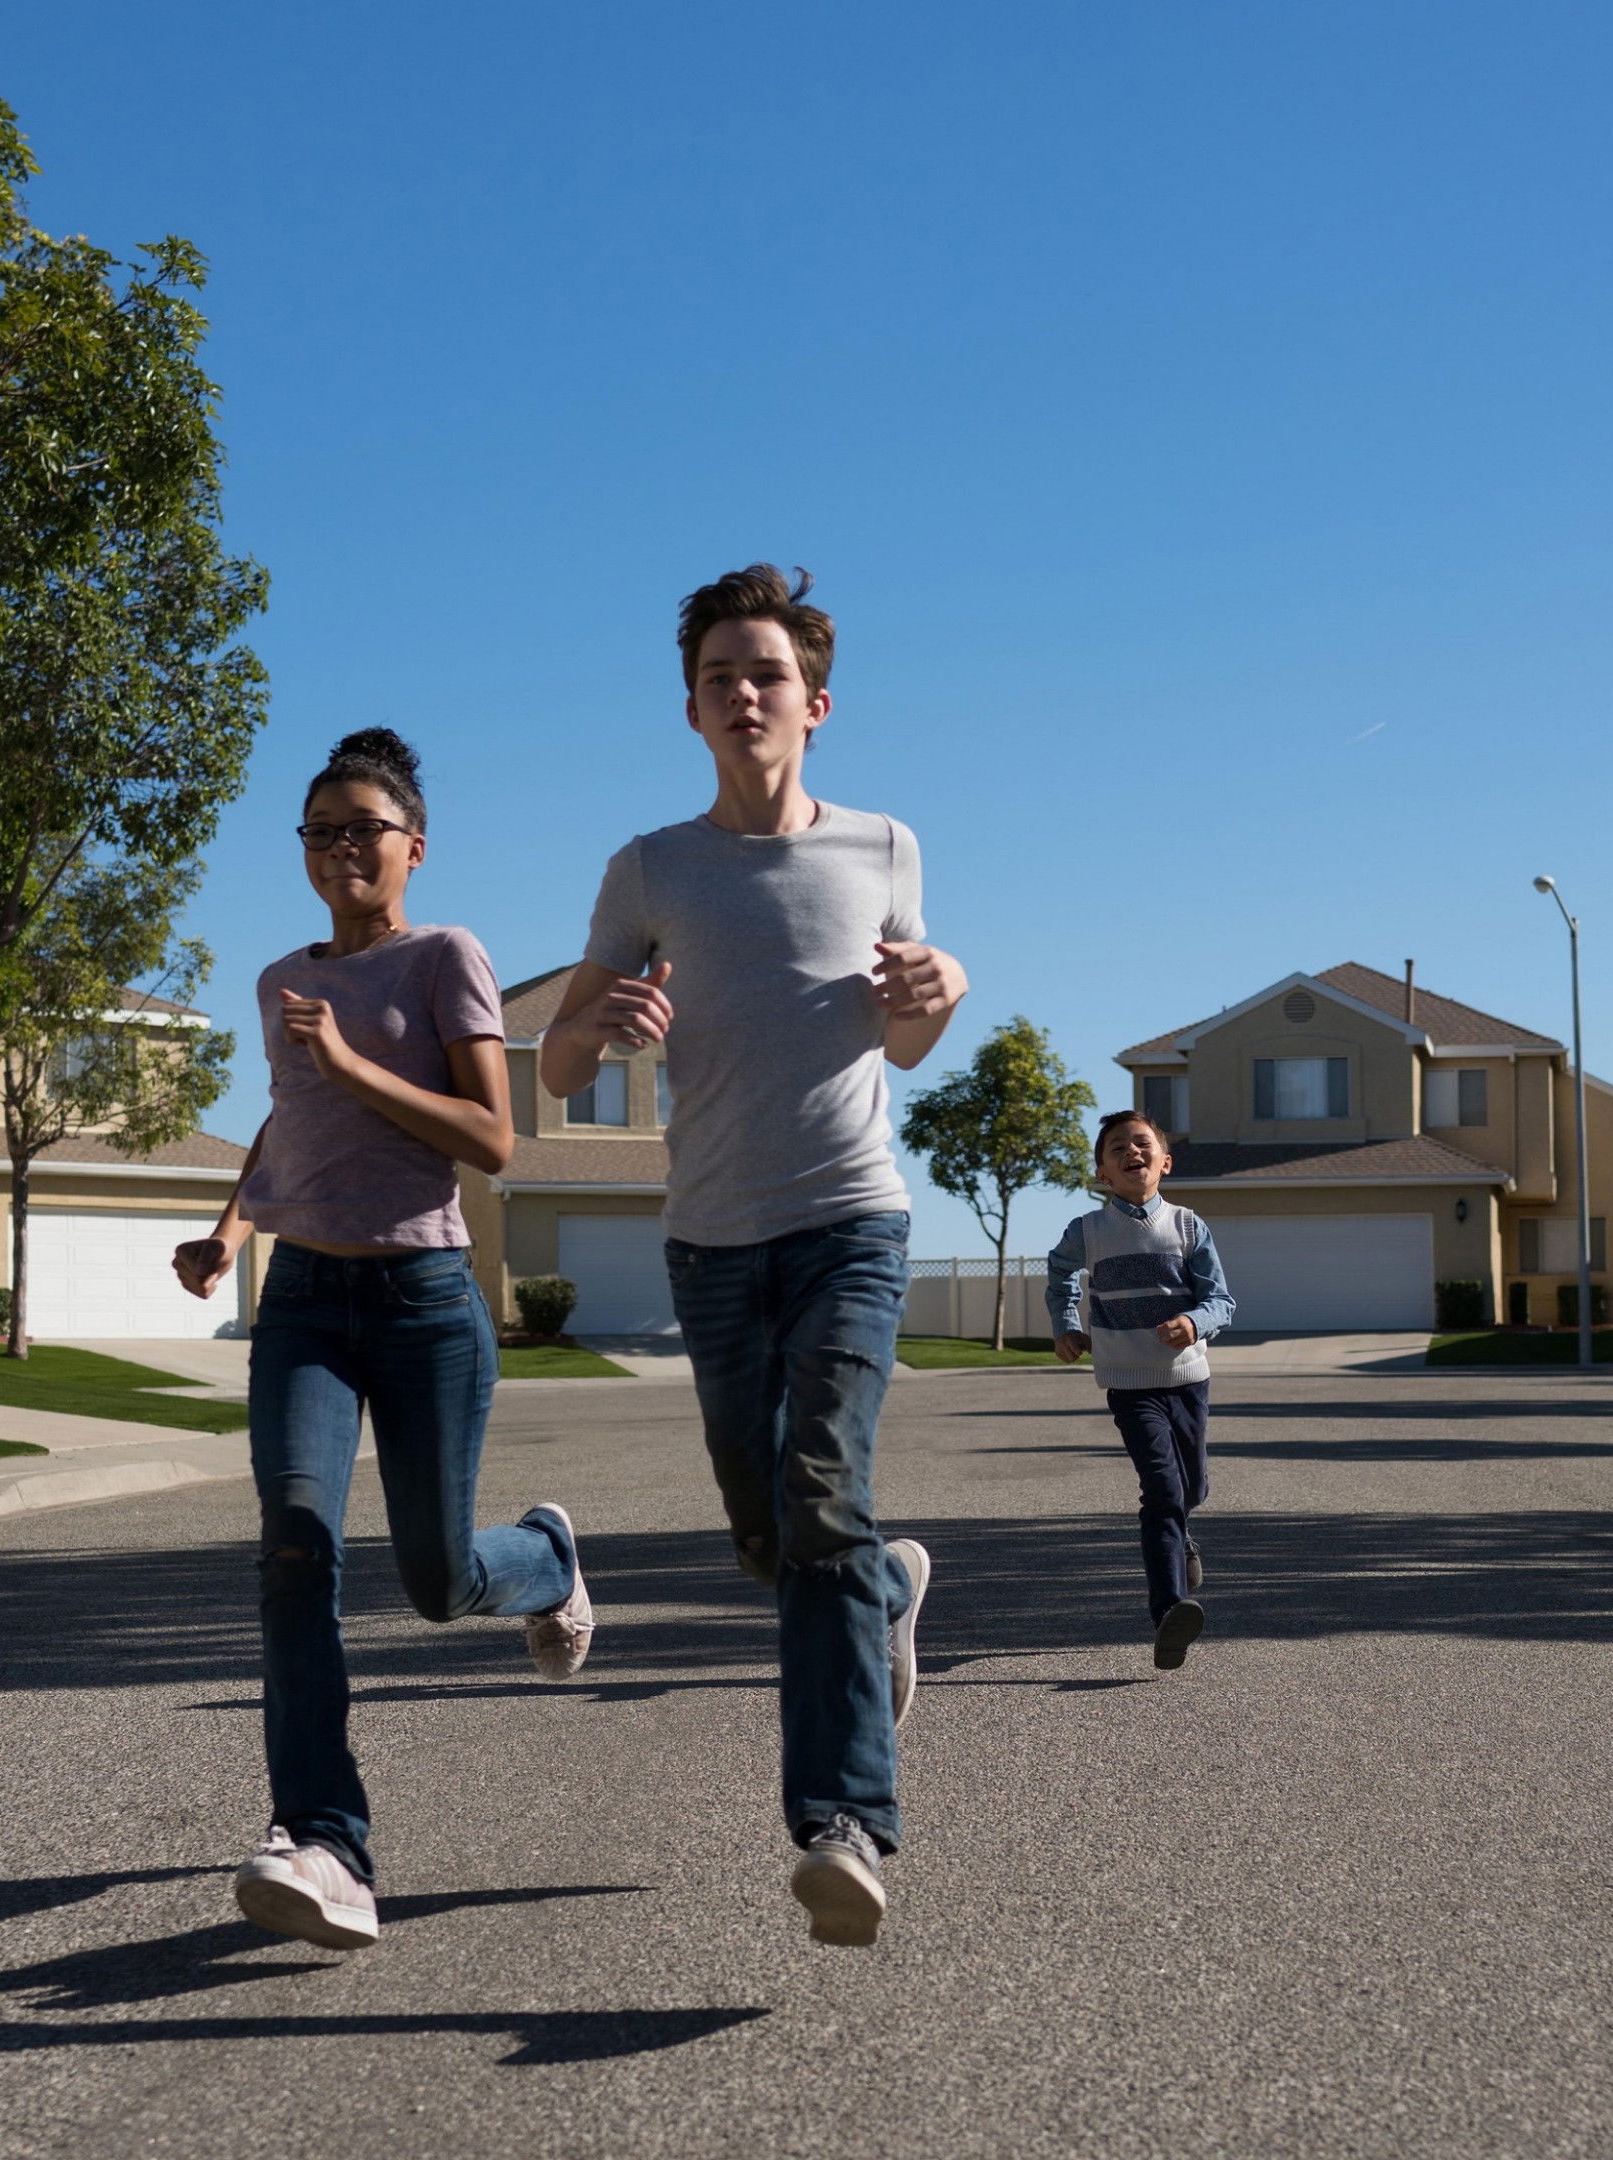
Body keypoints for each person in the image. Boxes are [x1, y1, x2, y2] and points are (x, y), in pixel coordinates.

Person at [539, 564, 966, 1947]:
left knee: (824, 1489)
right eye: (718, 676)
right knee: (768, 1535)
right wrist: (600, 1025)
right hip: (711, 1240)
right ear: (691, 710)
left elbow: (907, 1037)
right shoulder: (650, 869)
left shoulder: (885, 848)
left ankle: (846, 1824)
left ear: (814, 704)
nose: (743, 694)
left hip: (852, 1218)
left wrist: (944, 990)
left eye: (766, 673)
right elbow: (556, 1067)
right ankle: (885, 1593)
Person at [172, 726, 594, 1953]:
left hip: (422, 1302)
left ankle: (547, 1561)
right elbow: (287, 1119)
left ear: (415, 846)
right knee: (293, 1555)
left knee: (437, 1583)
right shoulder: (279, 981)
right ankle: (324, 1842)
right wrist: (229, 1230)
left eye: (365, 828)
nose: (341, 848)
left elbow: (491, 1137)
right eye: (321, 830)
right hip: (304, 1300)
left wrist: (351, 1061)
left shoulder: (445, 956)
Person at [1046, 1109, 1237, 1670]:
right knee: (1161, 1490)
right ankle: (1169, 1611)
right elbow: (1059, 1273)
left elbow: (1221, 1300)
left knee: (1191, 1488)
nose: (1131, 1152)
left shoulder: (1188, 1227)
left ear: (1165, 1163)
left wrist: (1195, 1322)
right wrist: (1065, 1323)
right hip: (1129, 1385)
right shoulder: (1088, 1231)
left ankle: (1183, 1539)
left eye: (1142, 1144)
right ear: (1102, 1172)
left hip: (1187, 1380)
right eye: (1117, 1148)